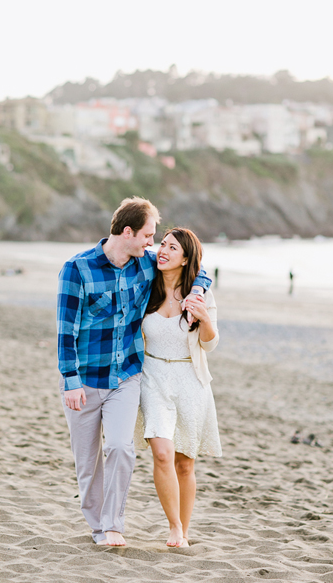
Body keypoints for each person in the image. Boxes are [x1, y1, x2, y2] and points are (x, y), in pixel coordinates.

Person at [57, 197, 210, 546]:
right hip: (84, 380)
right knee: (87, 464)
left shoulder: (145, 264)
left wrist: (198, 289)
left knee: (122, 449)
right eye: (148, 235)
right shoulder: (77, 269)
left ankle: (112, 525)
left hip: (126, 376)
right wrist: (70, 381)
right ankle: (97, 526)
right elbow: (65, 330)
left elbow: (195, 265)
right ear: (128, 232)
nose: (152, 243)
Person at [135, 227, 221, 548]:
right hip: (153, 375)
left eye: (173, 248)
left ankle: (184, 532)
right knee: (162, 453)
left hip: (190, 379)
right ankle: (173, 527)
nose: (163, 251)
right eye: (163, 244)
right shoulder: (148, 288)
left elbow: (210, 345)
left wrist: (205, 320)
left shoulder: (200, 294)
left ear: (186, 259)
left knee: (185, 463)